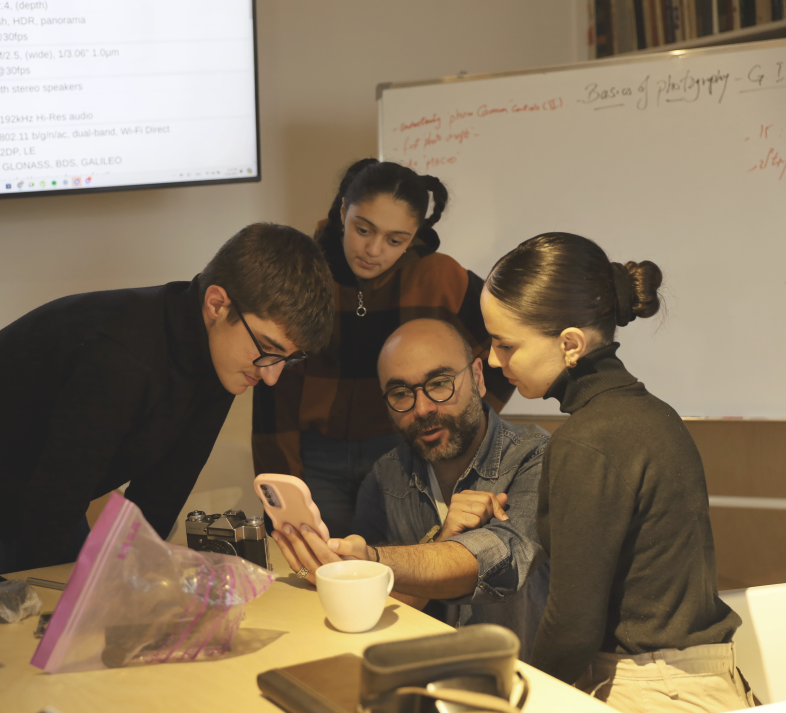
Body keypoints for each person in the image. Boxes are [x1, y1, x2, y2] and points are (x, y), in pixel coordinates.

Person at [0, 223, 335, 587]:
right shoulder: (124, 356)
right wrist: (64, 601)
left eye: (288, 360)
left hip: (49, 487)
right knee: (3, 634)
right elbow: (53, 502)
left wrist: (138, 576)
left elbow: (160, 494)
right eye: (269, 350)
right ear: (217, 304)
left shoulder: (225, 361)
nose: (271, 374)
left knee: (91, 601)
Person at [480, 233, 750, 712]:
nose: (492, 360)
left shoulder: (588, 440)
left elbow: (573, 627)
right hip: (706, 679)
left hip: (654, 691)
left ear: (569, 344)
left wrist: (515, 699)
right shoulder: (653, 414)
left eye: (505, 345)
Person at [253, 159, 514, 538]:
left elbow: (503, 350)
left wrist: (460, 424)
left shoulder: (438, 276)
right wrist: (280, 486)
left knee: (406, 575)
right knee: (324, 571)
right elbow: (273, 388)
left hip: (402, 453)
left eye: (395, 240)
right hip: (316, 458)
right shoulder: (302, 276)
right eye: (363, 230)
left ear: (415, 235)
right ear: (343, 210)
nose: (373, 250)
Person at [272, 318, 550, 658]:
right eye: (401, 393)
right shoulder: (386, 475)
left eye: (439, 383)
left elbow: (506, 564)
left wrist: (373, 560)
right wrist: (440, 541)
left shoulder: (535, 457)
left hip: (520, 686)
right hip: (416, 676)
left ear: (477, 377)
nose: (422, 409)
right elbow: (385, 605)